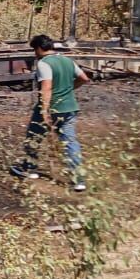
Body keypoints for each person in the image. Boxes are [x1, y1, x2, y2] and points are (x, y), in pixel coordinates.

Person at [11, 34, 90, 191]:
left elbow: (46, 88)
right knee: (70, 143)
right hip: (70, 108)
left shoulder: (43, 64)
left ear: (40, 48)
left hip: (52, 108)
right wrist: (68, 89)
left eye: (34, 50)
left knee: (33, 137)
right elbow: (84, 78)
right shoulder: (67, 60)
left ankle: (29, 168)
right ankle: (78, 180)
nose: (34, 53)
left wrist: (44, 110)